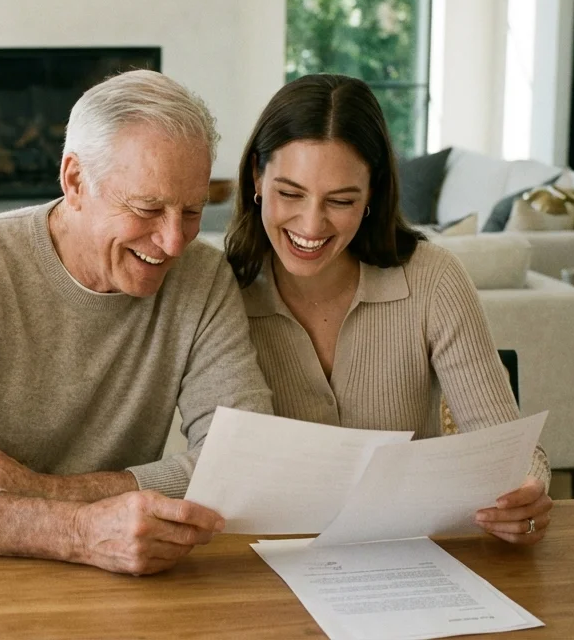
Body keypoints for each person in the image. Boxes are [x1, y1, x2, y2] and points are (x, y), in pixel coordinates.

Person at [0, 70, 275, 574]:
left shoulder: (201, 277)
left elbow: (247, 456)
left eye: (191, 211)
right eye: (147, 208)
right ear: (75, 182)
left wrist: (53, 492)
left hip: (116, 582)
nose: (174, 241)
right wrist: (78, 531)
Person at [225, 73, 553, 545]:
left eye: (340, 200)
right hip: (265, 560)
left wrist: (528, 489)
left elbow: (507, 446)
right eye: (290, 193)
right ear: (257, 176)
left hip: (404, 555)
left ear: (373, 194)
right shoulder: (223, 291)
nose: (311, 224)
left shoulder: (433, 279)